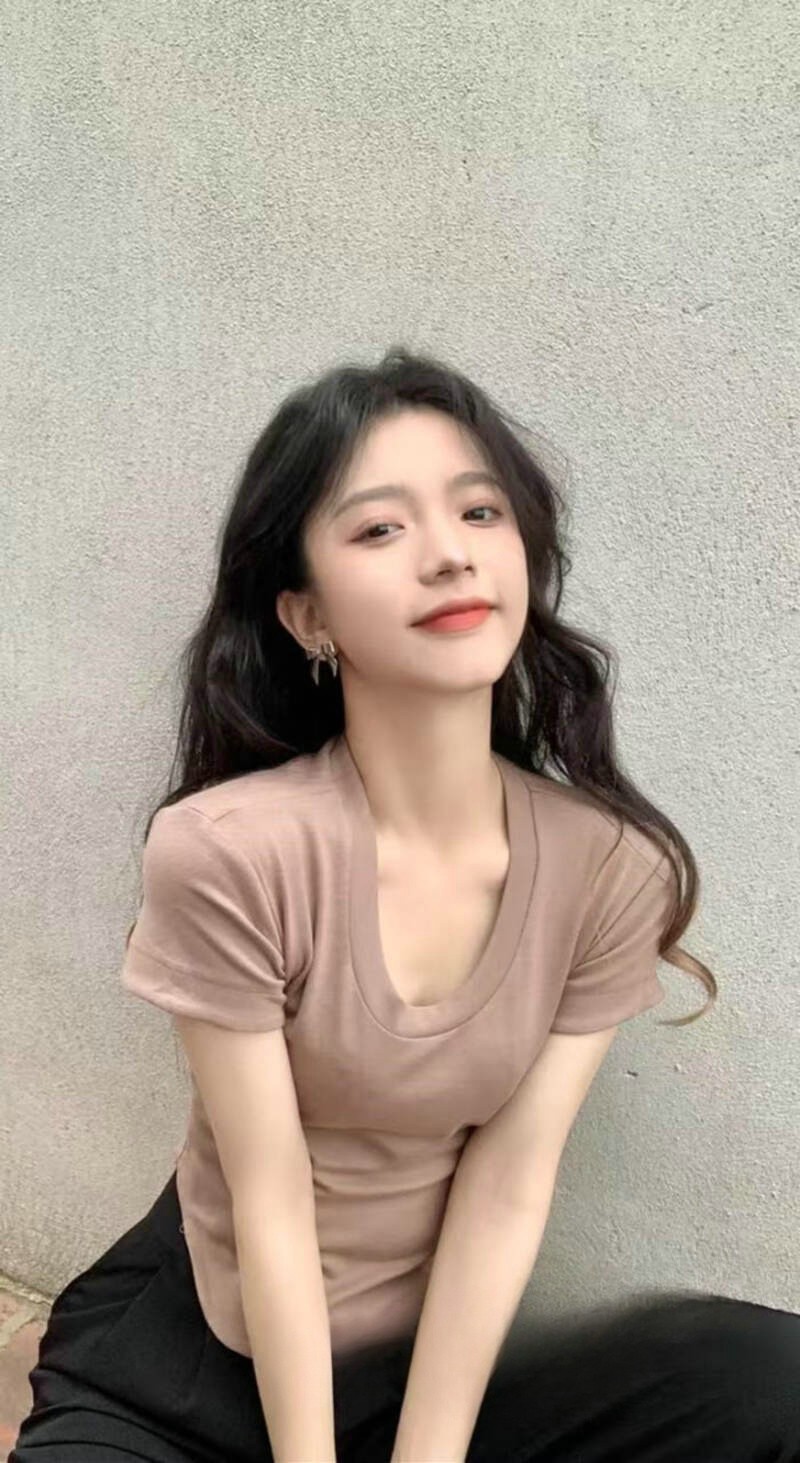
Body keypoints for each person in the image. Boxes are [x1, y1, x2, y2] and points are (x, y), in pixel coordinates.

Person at [12, 346, 799, 1462]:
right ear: (307, 615)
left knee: (767, 1380)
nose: (447, 553)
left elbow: (508, 1182)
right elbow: (270, 1194)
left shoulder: (608, 866)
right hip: (192, 1365)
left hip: (429, 1374)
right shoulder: (230, 851)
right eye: (380, 527)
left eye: (479, 511)